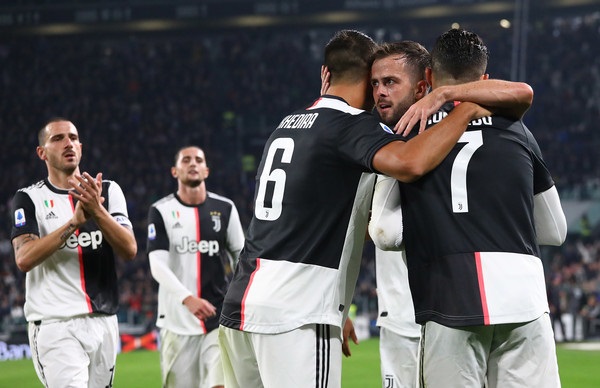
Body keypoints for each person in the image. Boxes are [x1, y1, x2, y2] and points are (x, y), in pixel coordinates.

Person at [217, 29, 494, 388]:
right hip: (297, 310)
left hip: (242, 303)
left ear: (325, 75)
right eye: (377, 82)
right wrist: (466, 107)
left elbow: (313, 212)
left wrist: (340, 307)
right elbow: (410, 164)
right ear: (367, 82)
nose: (381, 93)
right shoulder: (353, 126)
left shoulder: (285, 126)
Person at [372, 29, 567, 388]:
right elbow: (555, 229)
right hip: (523, 297)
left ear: (428, 78)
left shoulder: (408, 133)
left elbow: (386, 235)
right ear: (486, 81)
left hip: (449, 298)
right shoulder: (518, 130)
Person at [10, 118, 137, 387]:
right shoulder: (28, 198)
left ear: (81, 146)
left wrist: (97, 211)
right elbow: (24, 258)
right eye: (57, 138)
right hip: (56, 324)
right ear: (42, 152)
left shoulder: (109, 191)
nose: (68, 143)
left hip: (103, 321)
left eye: (73, 137)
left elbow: (129, 249)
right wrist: (74, 223)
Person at [147, 145, 245, 388]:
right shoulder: (161, 211)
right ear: (174, 171)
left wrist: (240, 300)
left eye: (198, 160)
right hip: (177, 321)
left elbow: (243, 259)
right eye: (186, 160)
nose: (193, 163)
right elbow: (157, 265)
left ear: (206, 170)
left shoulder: (225, 209)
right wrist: (188, 298)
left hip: (219, 318)